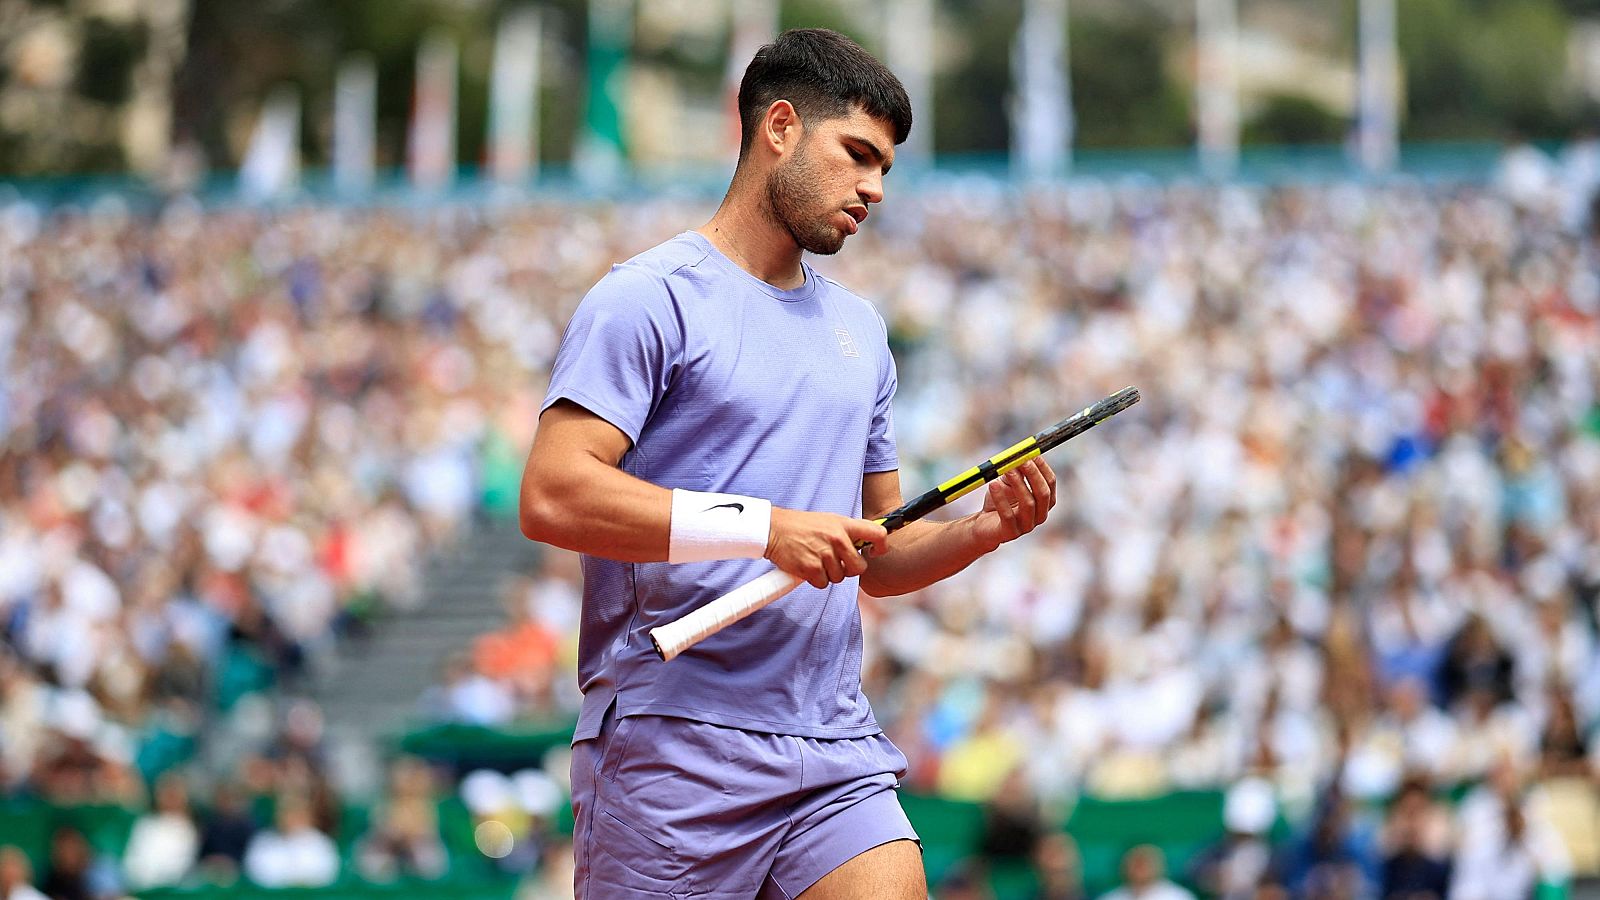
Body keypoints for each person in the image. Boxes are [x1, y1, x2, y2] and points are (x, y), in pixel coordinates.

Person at [520, 27, 1058, 899]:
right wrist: (765, 531)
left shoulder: (864, 334)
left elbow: (876, 555)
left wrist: (986, 530)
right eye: (857, 155)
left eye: (884, 168)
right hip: (672, 738)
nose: (874, 188)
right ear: (778, 128)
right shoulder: (647, 299)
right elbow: (552, 494)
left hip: (833, 743)